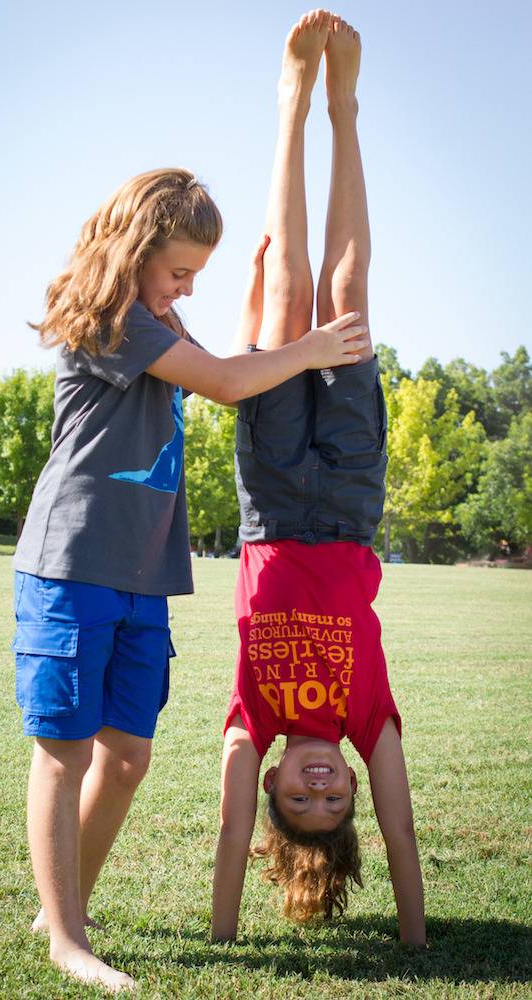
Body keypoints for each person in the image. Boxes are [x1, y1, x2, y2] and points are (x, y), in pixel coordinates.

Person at [12, 161, 369, 988]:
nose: (186, 289)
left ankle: (61, 907)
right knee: (65, 751)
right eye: (179, 272)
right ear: (133, 252)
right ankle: (67, 939)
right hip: (74, 564)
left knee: (128, 755)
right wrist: (315, 347)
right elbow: (229, 379)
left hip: (142, 574)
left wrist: (258, 311)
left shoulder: (154, 321)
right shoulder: (112, 321)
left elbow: (240, 376)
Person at [211, 11, 426, 947]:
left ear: (270, 788)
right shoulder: (367, 721)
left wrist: (224, 936)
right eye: (335, 801)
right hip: (344, 504)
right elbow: (403, 827)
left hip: (267, 506)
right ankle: (343, 108)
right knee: (346, 300)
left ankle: (290, 108)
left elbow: (228, 835)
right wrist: (413, 939)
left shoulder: (248, 727)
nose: (319, 787)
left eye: (301, 801)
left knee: (289, 294)